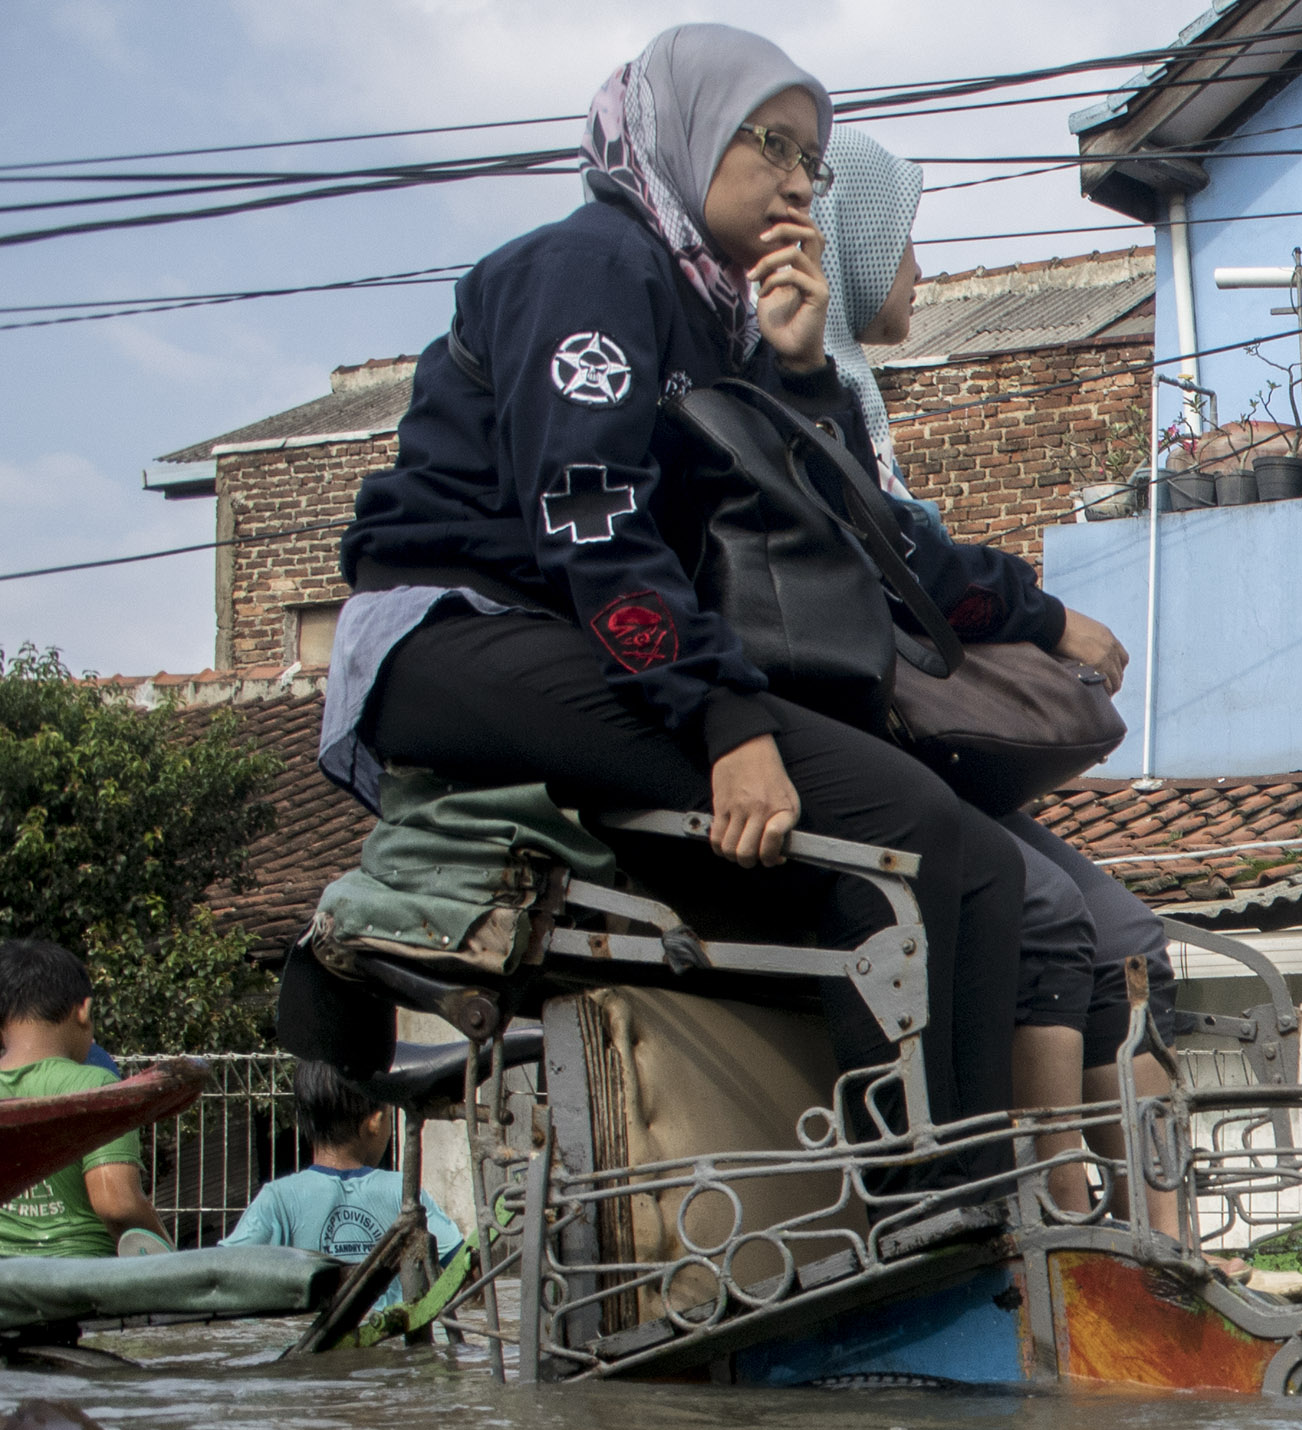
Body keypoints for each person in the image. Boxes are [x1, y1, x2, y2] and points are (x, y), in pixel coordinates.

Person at [324, 24, 1128, 1179]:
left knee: (970, 860)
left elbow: (829, 534)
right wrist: (727, 723)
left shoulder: (716, 318)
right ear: (687, 135)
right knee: (898, 839)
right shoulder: (596, 265)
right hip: (461, 635)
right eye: (773, 143)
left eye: (815, 158)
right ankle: (921, 1210)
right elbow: (590, 523)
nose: (799, 179)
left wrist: (799, 373)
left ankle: (961, 1202)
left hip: (578, 644)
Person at [810, 123, 1169, 1190]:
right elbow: (910, 565)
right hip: (853, 750)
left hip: (914, 759)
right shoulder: (809, 391)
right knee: (1050, 915)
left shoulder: (851, 393)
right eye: (905, 241)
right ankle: (1057, 1228)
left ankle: (1168, 1245)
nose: (920, 269)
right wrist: (1047, 619)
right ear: (853, 247)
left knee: (1124, 930)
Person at [0, 942, 165, 1263]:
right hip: (81, 1282)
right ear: (84, 1011)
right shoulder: (93, 1086)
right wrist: (172, 1263)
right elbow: (116, 1203)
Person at [223, 1063, 468, 1264]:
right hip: (395, 1324)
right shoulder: (403, 1192)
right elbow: (466, 1267)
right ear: (375, 1121)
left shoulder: (277, 1199)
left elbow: (223, 1270)